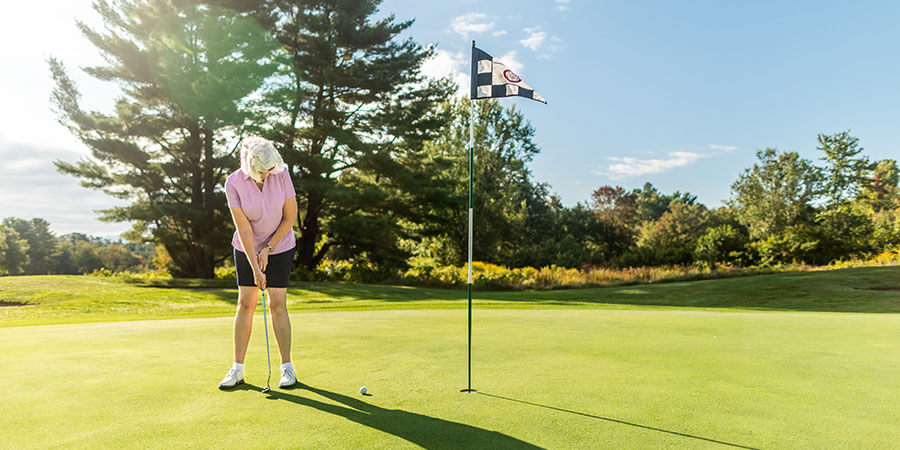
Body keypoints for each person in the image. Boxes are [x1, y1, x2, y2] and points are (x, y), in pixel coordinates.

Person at [219, 137, 298, 390]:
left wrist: (270, 249)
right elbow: (243, 228)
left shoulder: (281, 174)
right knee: (246, 303)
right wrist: (255, 266)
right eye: (262, 171)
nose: (266, 174)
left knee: (277, 303)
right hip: (247, 247)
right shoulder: (233, 183)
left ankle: (287, 368)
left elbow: (290, 218)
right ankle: (237, 369)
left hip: (281, 244)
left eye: (269, 169)